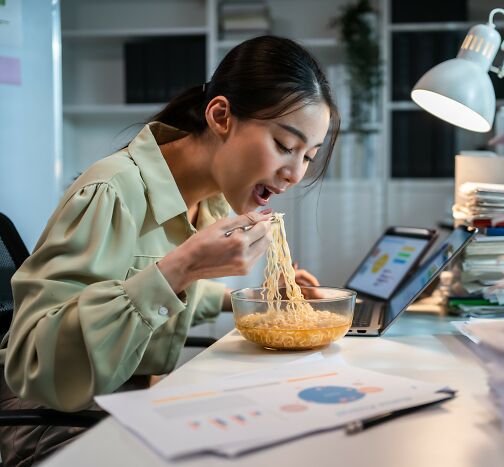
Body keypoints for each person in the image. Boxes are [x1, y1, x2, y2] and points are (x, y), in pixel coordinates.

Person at [0, 35, 339, 466]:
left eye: (309, 155)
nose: (294, 173)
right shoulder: (111, 191)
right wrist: (180, 269)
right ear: (220, 116)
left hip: (123, 406)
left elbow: (144, 290)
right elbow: (36, 367)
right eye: (285, 146)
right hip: (51, 425)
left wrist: (255, 302)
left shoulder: (208, 201)